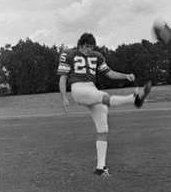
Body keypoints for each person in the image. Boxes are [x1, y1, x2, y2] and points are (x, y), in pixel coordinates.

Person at [57, 33, 152, 177]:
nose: (88, 49)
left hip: (91, 88)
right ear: (80, 44)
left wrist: (126, 76)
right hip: (79, 89)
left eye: (91, 46)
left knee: (103, 128)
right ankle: (135, 98)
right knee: (104, 97)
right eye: (86, 46)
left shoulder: (97, 56)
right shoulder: (68, 54)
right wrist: (64, 97)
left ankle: (100, 168)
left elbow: (109, 73)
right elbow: (63, 78)